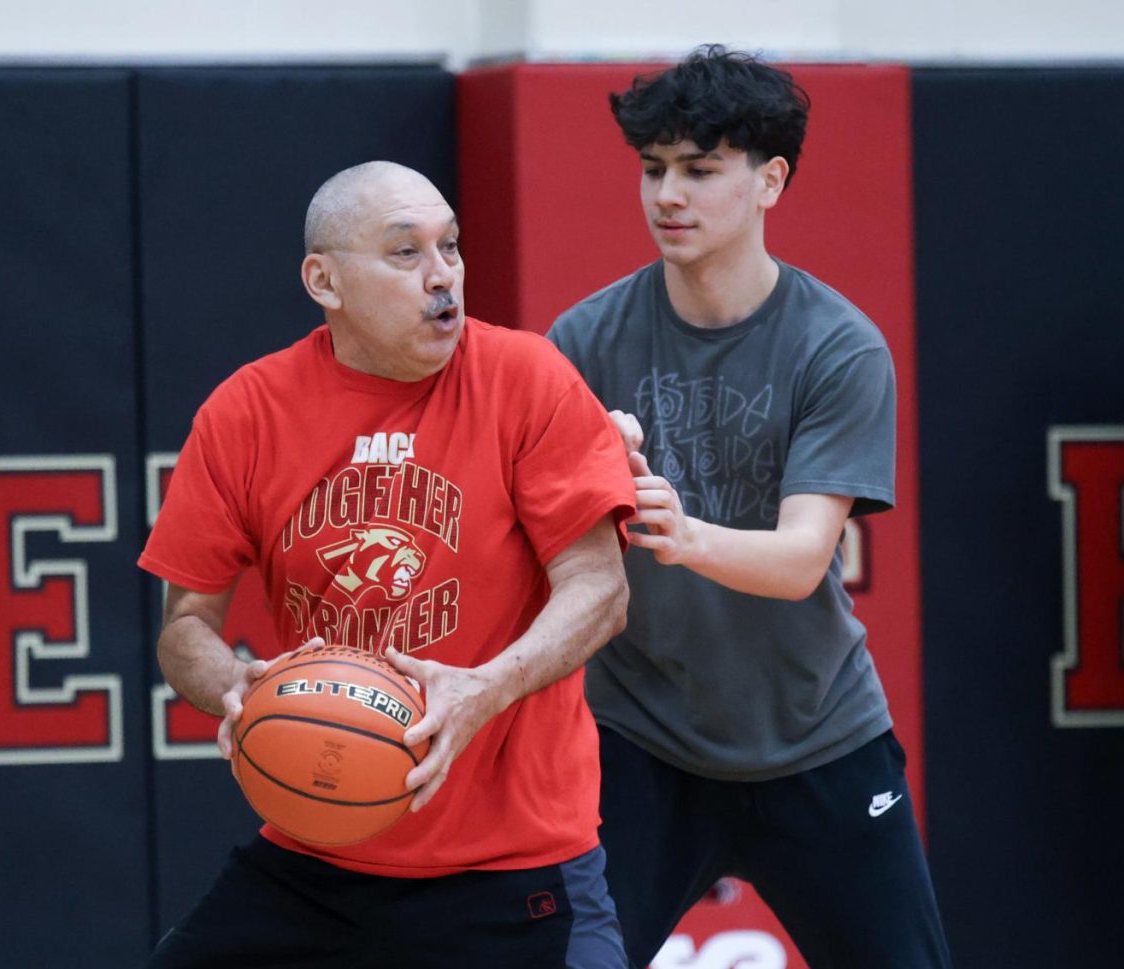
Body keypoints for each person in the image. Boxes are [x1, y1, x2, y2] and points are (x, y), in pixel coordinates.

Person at [138, 160, 636, 968]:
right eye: (405, 254)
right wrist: (239, 686)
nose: (442, 277)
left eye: (451, 247)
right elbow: (185, 625)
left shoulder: (528, 378)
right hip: (314, 860)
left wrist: (486, 686)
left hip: (515, 873)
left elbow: (601, 589)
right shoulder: (246, 413)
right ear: (323, 280)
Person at [548, 47, 952, 968]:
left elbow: (803, 556)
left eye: (698, 169)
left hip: (818, 736)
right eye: (653, 169)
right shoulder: (581, 340)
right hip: (642, 736)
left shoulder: (839, 346)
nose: (667, 195)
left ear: (770, 180)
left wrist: (682, 533)